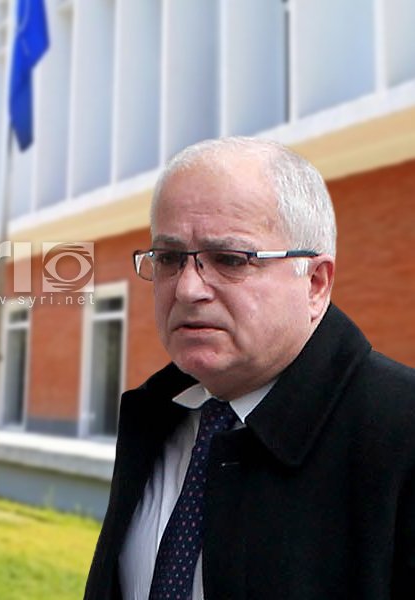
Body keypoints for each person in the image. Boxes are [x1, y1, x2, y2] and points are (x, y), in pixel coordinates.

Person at [84, 137, 415, 599]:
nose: (188, 289)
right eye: (169, 258)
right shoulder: (157, 415)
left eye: (230, 260)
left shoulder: (399, 432)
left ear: (315, 284)